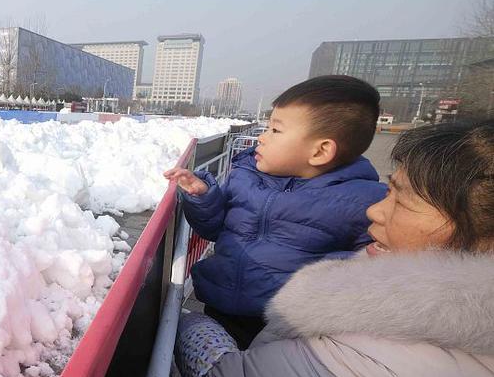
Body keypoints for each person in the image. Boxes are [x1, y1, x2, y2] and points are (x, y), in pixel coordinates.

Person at [176, 119, 494, 377]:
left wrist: (181, 321)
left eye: (402, 199)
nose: (374, 211)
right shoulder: (248, 177)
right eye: (388, 190)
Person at [164, 75, 387, 348]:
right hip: (222, 307)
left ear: (321, 151)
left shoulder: (365, 201)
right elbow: (214, 229)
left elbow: (372, 265)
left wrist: (326, 276)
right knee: (205, 365)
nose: (261, 137)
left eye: (275, 130)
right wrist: (203, 197)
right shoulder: (245, 177)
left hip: (291, 329)